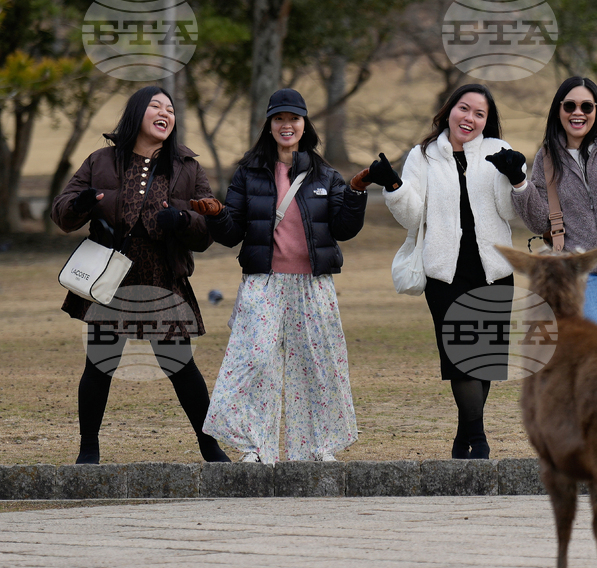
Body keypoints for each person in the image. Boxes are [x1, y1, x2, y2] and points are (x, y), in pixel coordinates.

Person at [52, 86, 230, 464]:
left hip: (162, 280)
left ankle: (211, 450)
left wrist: (183, 219)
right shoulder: (100, 161)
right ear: (137, 113)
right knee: (99, 365)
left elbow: (206, 230)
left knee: (181, 367)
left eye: (170, 108)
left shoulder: (188, 166)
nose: (166, 112)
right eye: (156, 105)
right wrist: (80, 205)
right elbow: (62, 211)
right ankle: (88, 453)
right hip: (111, 282)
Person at [196, 89, 366, 464]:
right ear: (269, 126)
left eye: (294, 119)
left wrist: (355, 191)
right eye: (279, 119)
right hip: (264, 281)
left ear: (305, 125)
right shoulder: (249, 173)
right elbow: (231, 233)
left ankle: (319, 448)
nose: (287, 125)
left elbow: (343, 228)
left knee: (320, 364)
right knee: (255, 362)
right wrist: (214, 214)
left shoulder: (325, 174)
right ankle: (255, 447)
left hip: (313, 283)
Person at [364, 83, 518, 459]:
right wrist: (394, 185)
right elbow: (413, 216)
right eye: (464, 109)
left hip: (494, 270)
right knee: (461, 356)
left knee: (483, 359)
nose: (470, 118)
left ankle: (464, 435)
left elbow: (512, 212)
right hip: (446, 273)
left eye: (479, 114)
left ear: (487, 121)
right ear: (450, 110)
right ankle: (478, 439)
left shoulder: (499, 151)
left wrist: (517, 179)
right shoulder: (424, 155)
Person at [495, 76, 597, 335]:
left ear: (596, 110)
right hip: (581, 266)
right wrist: (519, 183)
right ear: (558, 110)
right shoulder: (546, 157)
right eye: (569, 106)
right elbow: (540, 221)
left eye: (586, 107)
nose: (577, 113)